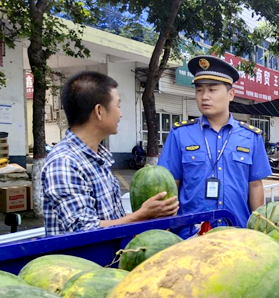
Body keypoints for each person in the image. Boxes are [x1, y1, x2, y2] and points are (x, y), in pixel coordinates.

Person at [42, 71, 179, 236]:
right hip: (83, 261)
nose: (121, 114)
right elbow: (83, 231)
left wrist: (147, 219)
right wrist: (141, 215)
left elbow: (112, 219)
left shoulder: (98, 158)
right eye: (118, 105)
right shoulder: (64, 162)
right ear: (99, 111)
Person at [158, 55, 271, 238]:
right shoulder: (180, 134)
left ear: (231, 95)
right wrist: (165, 228)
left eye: (212, 89)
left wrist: (259, 232)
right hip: (190, 235)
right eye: (199, 90)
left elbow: (255, 186)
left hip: (237, 234)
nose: (204, 97)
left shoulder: (251, 137)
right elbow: (171, 184)